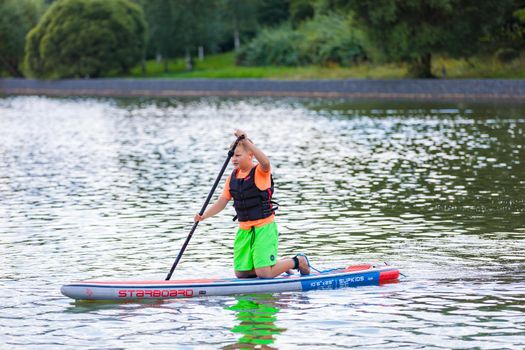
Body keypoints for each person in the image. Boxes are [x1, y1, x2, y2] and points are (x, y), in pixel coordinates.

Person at [195, 129, 310, 278]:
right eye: (232, 156)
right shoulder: (232, 178)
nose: (234, 159)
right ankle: (277, 266)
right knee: (241, 274)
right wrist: (204, 216)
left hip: (264, 227)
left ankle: (298, 261)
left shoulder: (260, 171)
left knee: (264, 274)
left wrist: (246, 141)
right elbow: (222, 202)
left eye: (238, 155)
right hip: (245, 230)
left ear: (250, 155)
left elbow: (265, 162)